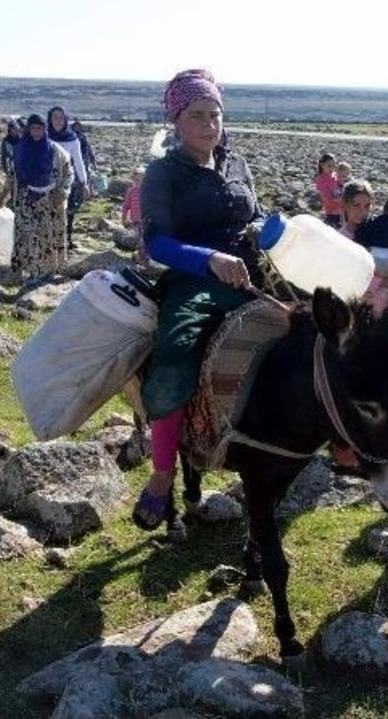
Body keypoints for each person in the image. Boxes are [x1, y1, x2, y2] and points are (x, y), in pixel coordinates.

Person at [132, 68, 263, 534]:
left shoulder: (237, 165)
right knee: (176, 351)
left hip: (251, 273)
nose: (209, 125)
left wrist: (277, 232)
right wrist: (210, 259)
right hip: (193, 281)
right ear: (176, 120)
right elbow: (158, 244)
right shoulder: (162, 174)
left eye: (215, 115)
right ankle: (164, 471)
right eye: (197, 116)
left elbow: (257, 215)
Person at [0, 114, 73, 278]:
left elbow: (68, 173)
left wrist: (62, 193)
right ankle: (33, 272)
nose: (36, 132)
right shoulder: (20, 150)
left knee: (48, 238)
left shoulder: (56, 151)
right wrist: (3, 198)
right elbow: (12, 175)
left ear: (45, 129)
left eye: (40, 128)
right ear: (28, 129)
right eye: (33, 128)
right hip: (26, 201)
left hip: (50, 201)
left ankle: (47, 271)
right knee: (29, 236)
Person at [46, 106, 90, 249]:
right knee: (49, 211)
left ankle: (67, 239)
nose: (58, 121)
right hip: (46, 181)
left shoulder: (72, 138)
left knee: (68, 210)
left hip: (67, 180)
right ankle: (50, 240)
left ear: (65, 119)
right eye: (55, 117)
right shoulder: (44, 136)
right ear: (50, 119)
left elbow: (78, 161)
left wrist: (84, 182)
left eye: (61, 117)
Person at [121, 166, 146, 263]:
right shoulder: (131, 191)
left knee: (144, 240)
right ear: (133, 180)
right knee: (139, 240)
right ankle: (140, 259)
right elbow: (126, 206)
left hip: (146, 221)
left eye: (140, 180)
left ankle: (143, 259)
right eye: (136, 180)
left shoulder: (148, 191)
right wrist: (124, 218)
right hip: (135, 221)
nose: (138, 182)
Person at [314, 152, 341, 227]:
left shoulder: (335, 175)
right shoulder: (320, 179)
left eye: (334, 166)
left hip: (342, 210)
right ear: (322, 165)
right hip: (331, 212)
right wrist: (342, 199)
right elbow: (327, 198)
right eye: (329, 166)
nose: (332, 168)